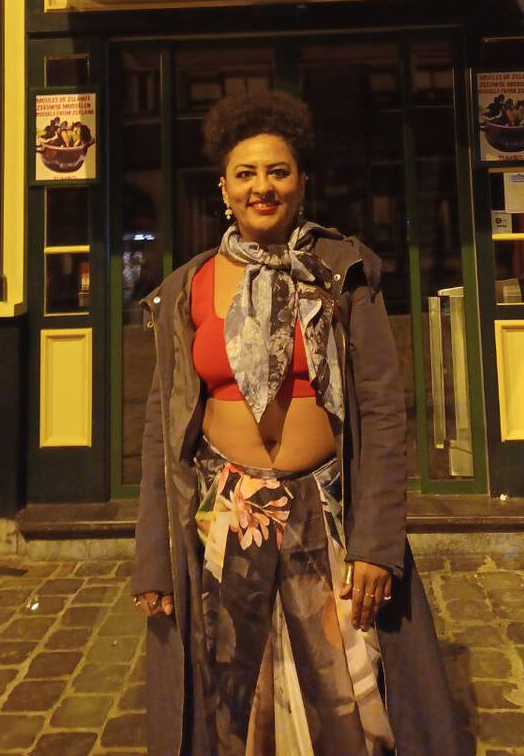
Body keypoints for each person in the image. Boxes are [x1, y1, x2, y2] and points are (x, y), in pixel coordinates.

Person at [132, 90, 461, 756]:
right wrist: (153, 560)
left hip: (329, 510)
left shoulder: (343, 274)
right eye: (246, 173)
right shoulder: (189, 287)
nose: (263, 186)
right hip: (227, 513)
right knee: (234, 690)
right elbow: (161, 430)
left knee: (351, 686)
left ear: (301, 182)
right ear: (224, 188)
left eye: (278, 171)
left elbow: (382, 411)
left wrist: (377, 545)